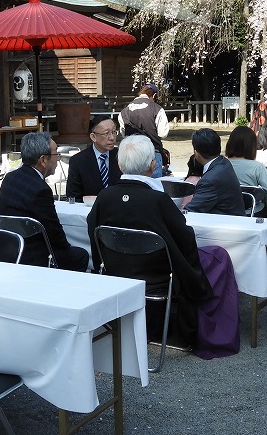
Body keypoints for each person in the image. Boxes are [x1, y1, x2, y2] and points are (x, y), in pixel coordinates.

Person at [87, 135, 212, 348]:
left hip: (115, 271)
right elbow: (185, 237)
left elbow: (93, 232)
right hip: (156, 276)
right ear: (152, 165)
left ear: (118, 164)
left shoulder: (105, 196)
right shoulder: (158, 200)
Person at [0, 132, 89, 272]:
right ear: (43, 160)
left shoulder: (10, 177)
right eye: (56, 154)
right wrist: (68, 249)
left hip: (8, 246)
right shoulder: (40, 189)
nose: (58, 159)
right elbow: (54, 233)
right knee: (80, 255)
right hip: (32, 255)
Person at [184, 128, 244, 216]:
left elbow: (192, 210)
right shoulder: (224, 162)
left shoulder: (209, 181)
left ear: (196, 153)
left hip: (224, 225)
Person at [65, 115, 122, 201]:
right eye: (106, 133)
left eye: (114, 132)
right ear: (93, 137)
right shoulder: (78, 161)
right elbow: (73, 196)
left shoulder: (122, 156)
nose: (112, 138)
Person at [224, 126, 267, 214]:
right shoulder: (257, 167)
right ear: (252, 146)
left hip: (225, 211)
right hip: (252, 212)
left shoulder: (220, 164)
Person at [119, 84, 170, 177]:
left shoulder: (124, 112)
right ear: (154, 95)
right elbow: (163, 133)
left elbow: (123, 133)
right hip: (153, 152)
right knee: (153, 187)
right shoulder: (157, 109)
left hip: (131, 154)